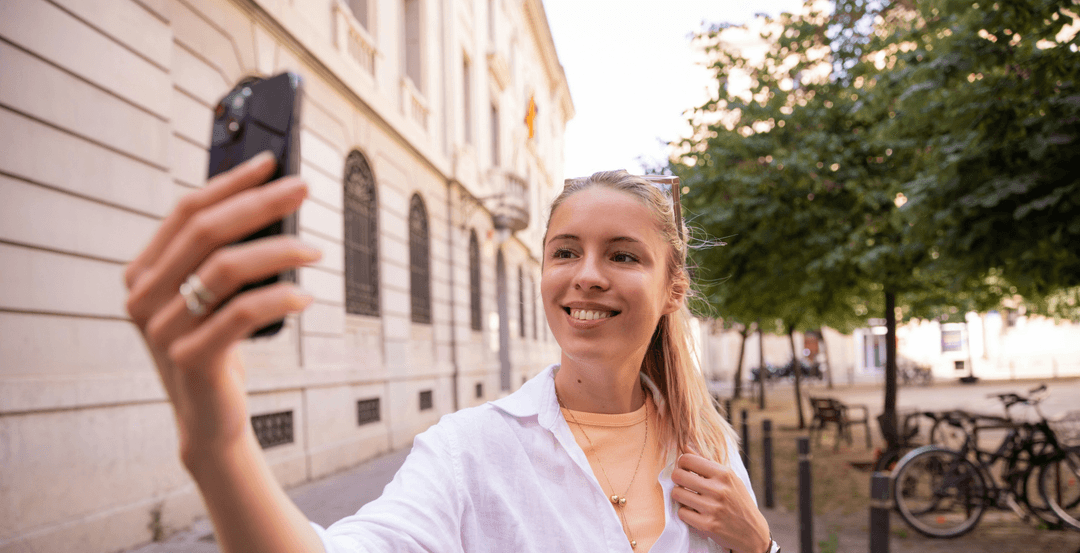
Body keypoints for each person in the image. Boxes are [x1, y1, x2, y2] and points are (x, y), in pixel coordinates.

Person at [124, 156, 777, 553]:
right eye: (565, 251)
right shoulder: (467, 451)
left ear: (673, 289)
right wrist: (219, 446)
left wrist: (759, 542)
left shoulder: (708, 443)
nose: (587, 274)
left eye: (623, 254)